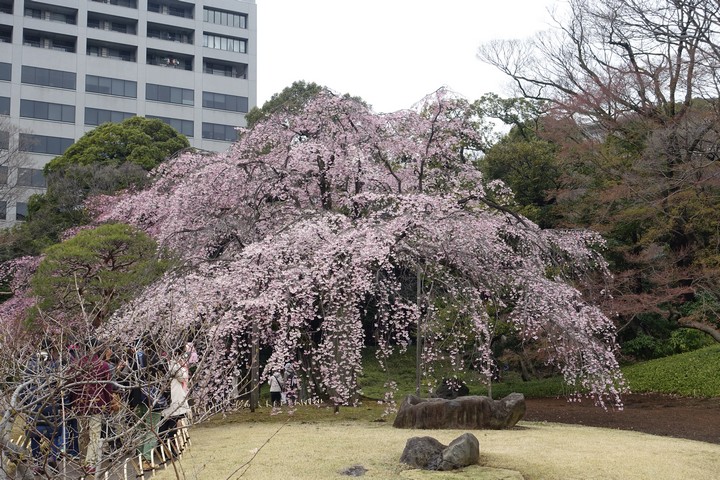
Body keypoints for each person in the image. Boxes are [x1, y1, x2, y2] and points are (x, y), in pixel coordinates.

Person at [71, 338, 113, 476]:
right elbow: (107, 387)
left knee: (82, 434)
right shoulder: (103, 365)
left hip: (80, 404)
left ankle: (84, 460)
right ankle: (90, 463)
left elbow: (72, 387)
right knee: (94, 434)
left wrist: (72, 404)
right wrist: (108, 403)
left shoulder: (76, 365)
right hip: (97, 404)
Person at [159, 346, 191, 457]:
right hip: (172, 398)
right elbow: (182, 377)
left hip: (172, 397)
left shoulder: (171, 362)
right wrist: (182, 367)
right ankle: (168, 449)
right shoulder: (172, 364)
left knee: (167, 423)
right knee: (170, 425)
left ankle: (165, 448)